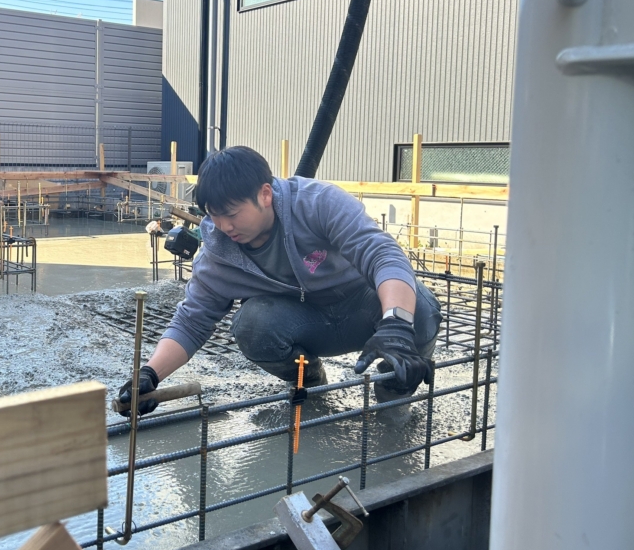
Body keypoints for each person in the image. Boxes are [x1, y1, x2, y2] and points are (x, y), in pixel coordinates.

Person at [117, 146, 441, 418]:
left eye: (232, 213)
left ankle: (395, 386)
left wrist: (396, 324)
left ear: (265, 194)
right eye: (214, 215)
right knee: (252, 324)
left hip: (362, 308)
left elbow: (383, 255)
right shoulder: (217, 254)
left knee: (421, 309)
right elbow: (191, 321)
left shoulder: (317, 202)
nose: (224, 226)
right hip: (306, 323)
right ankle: (311, 384)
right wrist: (150, 374)